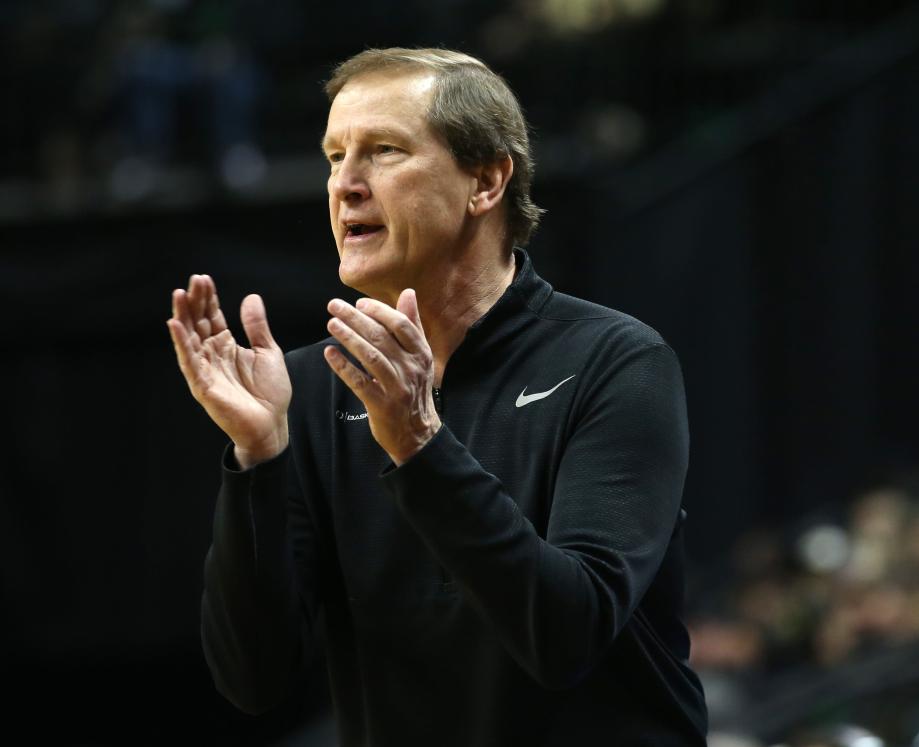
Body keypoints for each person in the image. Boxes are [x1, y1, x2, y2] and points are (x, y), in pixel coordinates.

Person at [167, 47, 708, 746]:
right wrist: (259, 458)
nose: (345, 185)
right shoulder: (308, 391)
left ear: (484, 181)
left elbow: (566, 636)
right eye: (335, 156)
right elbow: (253, 678)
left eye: (384, 151)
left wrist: (421, 445)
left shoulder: (615, 362)